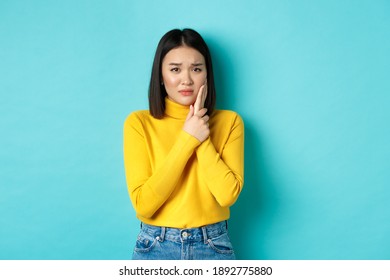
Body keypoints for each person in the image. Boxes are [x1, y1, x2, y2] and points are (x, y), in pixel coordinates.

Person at [123, 28, 244, 260]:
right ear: (160, 75)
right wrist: (188, 137)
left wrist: (201, 134)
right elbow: (144, 205)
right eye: (175, 69)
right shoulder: (139, 123)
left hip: (213, 244)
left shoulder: (230, 122)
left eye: (196, 69)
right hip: (156, 245)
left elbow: (227, 195)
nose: (186, 79)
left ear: (207, 74)